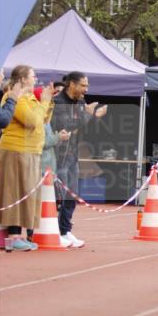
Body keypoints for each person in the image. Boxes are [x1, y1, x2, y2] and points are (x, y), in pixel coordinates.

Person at [0, 65, 53, 251]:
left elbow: (44, 120)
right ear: (22, 79)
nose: (35, 79)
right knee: (15, 192)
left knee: (26, 193)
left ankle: (20, 234)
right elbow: (32, 121)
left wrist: (48, 102)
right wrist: (43, 103)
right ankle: (13, 236)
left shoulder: (28, 98)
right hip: (16, 151)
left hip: (30, 152)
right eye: (33, 76)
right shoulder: (15, 98)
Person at [51, 72, 107, 247]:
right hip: (58, 156)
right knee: (57, 195)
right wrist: (88, 115)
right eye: (83, 85)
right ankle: (51, 231)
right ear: (72, 85)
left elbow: (83, 128)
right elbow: (65, 126)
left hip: (73, 154)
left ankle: (65, 230)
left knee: (72, 195)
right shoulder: (58, 102)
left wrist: (93, 117)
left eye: (87, 86)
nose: (86, 89)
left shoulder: (81, 102)